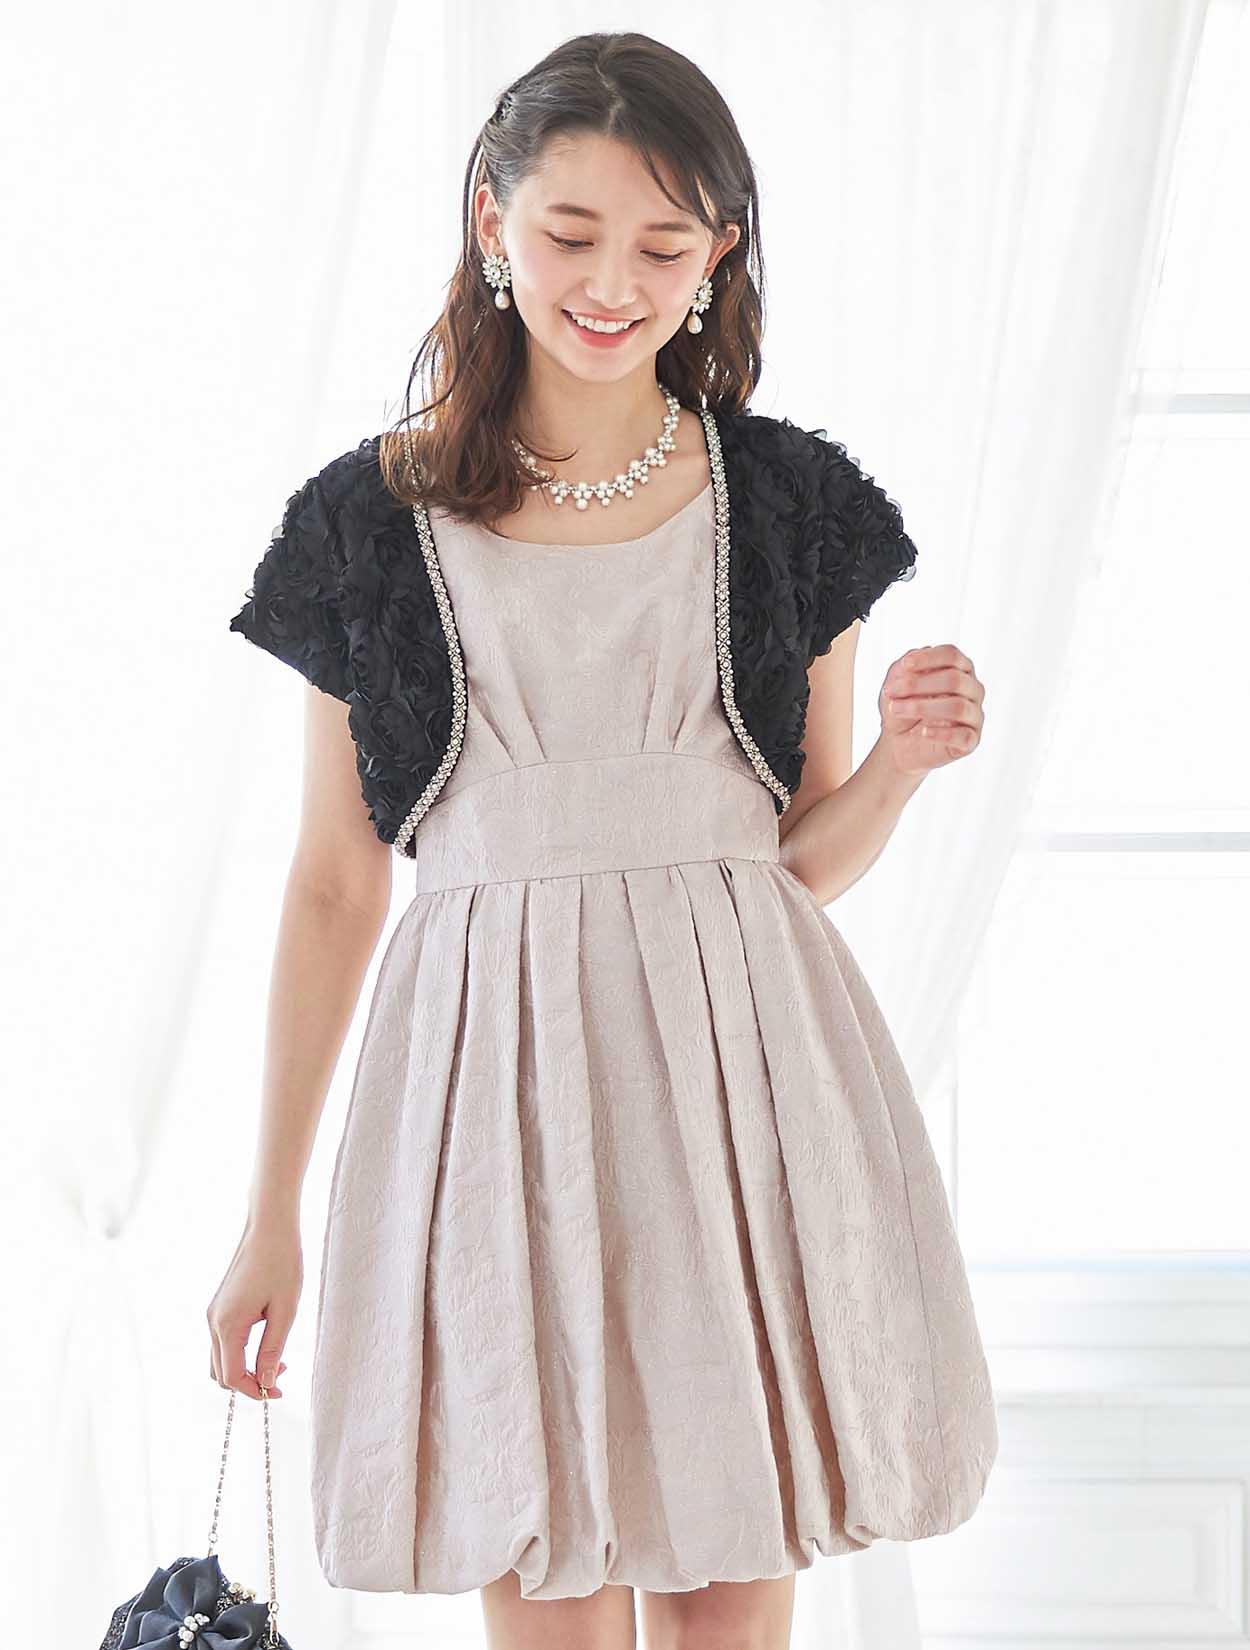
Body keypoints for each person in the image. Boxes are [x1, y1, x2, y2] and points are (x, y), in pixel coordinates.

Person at [210, 29, 996, 1650]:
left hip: (738, 1096)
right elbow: (335, 882)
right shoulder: (368, 521)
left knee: (730, 1595)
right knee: (542, 1567)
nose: (612, 284)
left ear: (718, 254)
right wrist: (269, 1205)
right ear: (490, 224)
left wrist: (903, 768)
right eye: (570, 233)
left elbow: (792, 861)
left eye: (661, 244)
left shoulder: (789, 504)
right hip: (489, 1089)